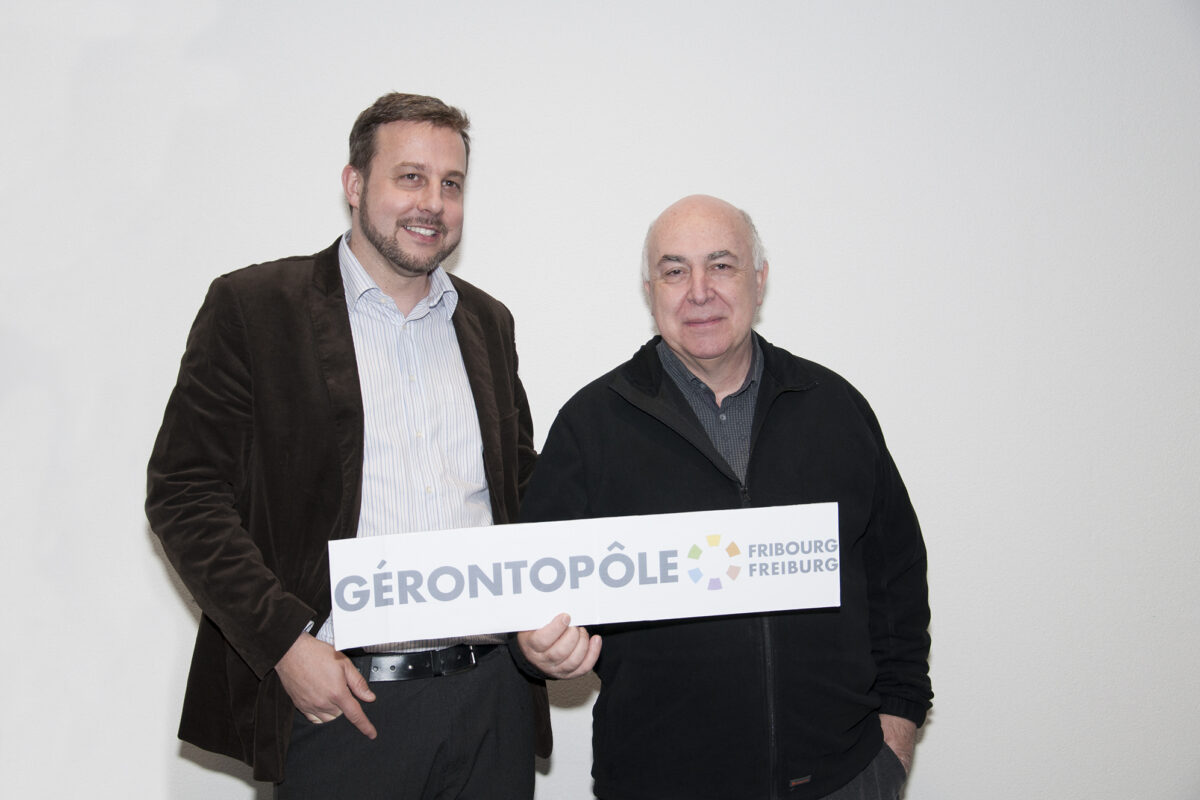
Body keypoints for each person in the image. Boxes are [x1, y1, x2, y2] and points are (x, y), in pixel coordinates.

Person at [146, 92, 546, 799]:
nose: (433, 203)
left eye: (452, 184)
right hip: (343, 706)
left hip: (491, 703)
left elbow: (520, 492)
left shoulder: (488, 322)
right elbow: (184, 494)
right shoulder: (255, 309)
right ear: (355, 184)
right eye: (411, 177)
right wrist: (284, 645)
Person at [515, 195, 932, 800]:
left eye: (721, 265)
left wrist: (896, 734)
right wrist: (536, 648)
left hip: (843, 778)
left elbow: (897, 579)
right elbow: (531, 600)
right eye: (674, 270)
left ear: (759, 280)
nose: (699, 291)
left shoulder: (834, 409)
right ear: (650, 291)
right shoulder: (592, 426)